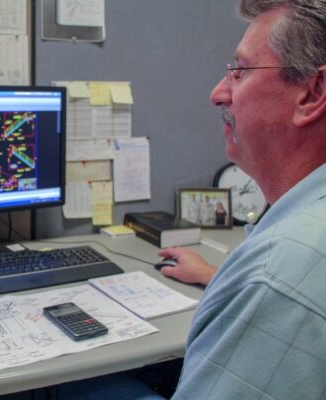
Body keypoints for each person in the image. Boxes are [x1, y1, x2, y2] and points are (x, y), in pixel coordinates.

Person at [58, 0, 326, 398]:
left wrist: (256, 283)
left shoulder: (276, 274)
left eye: (239, 72)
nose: (217, 94)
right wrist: (221, 278)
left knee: (82, 387)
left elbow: (284, 285)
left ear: (312, 93)